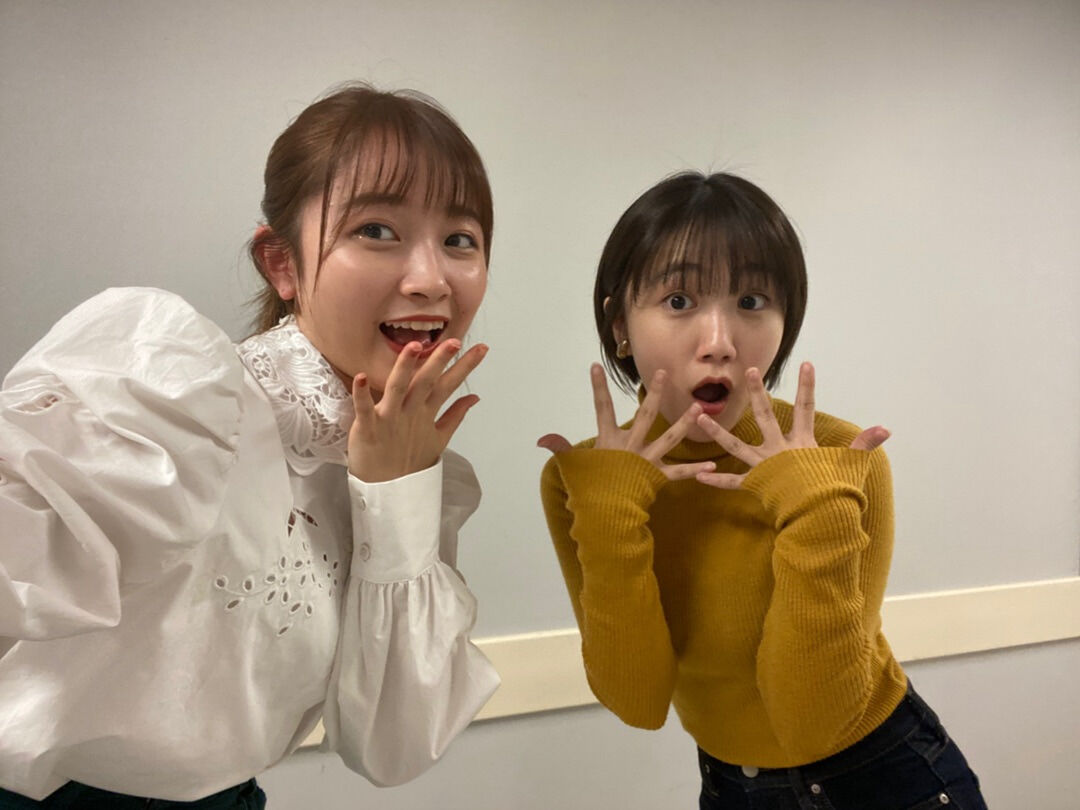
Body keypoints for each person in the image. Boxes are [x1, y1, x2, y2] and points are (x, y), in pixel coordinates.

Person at [0, 83, 499, 808]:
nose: (430, 280)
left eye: (460, 240)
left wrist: (395, 496)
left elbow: (391, 747)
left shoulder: (417, 470)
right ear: (282, 264)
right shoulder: (181, 397)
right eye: (376, 230)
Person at [538, 172, 987, 809]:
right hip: (731, 785)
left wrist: (815, 514)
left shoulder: (842, 458)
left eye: (751, 301)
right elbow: (636, 702)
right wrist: (610, 517)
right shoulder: (581, 481)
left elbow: (814, 720)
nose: (719, 343)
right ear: (619, 325)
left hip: (886, 774)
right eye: (678, 300)